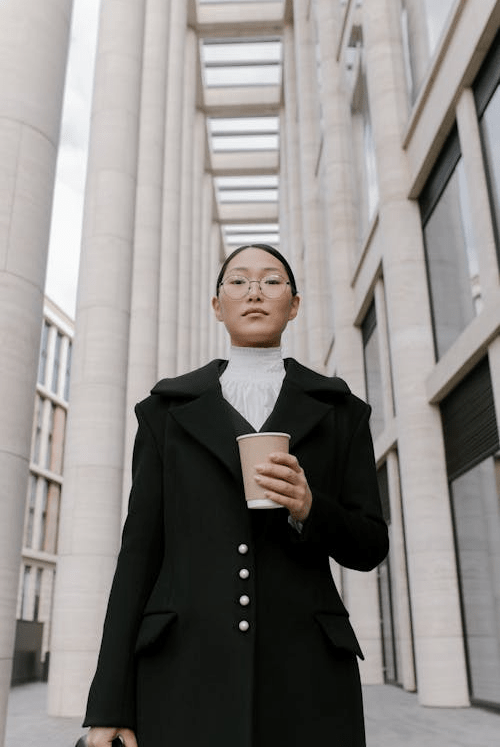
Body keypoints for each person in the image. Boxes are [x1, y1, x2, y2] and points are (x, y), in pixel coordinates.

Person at [84, 244, 389, 747]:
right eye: (238, 281)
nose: (254, 292)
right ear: (217, 304)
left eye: (272, 281)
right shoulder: (165, 411)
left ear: (294, 305)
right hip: (183, 670)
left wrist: (312, 509)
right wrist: (109, 704)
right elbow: (138, 556)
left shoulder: (342, 411)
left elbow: (370, 544)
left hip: (307, 675)